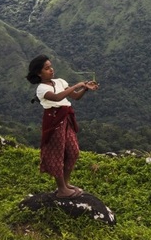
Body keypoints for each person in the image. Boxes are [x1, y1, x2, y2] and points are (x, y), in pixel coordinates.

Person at [26, 55, 99, 198]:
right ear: (39, 73)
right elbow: (57, 98)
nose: (51, 70)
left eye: (51, 67)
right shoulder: (41, 89)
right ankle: (61, 189)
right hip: (53, 121)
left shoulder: (59, 82)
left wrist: (85, 88)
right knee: (57, 154)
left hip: (66, 119)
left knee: (73, 151)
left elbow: (75, 97)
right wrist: (76, 85)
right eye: (47, 69)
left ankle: (66, 183)